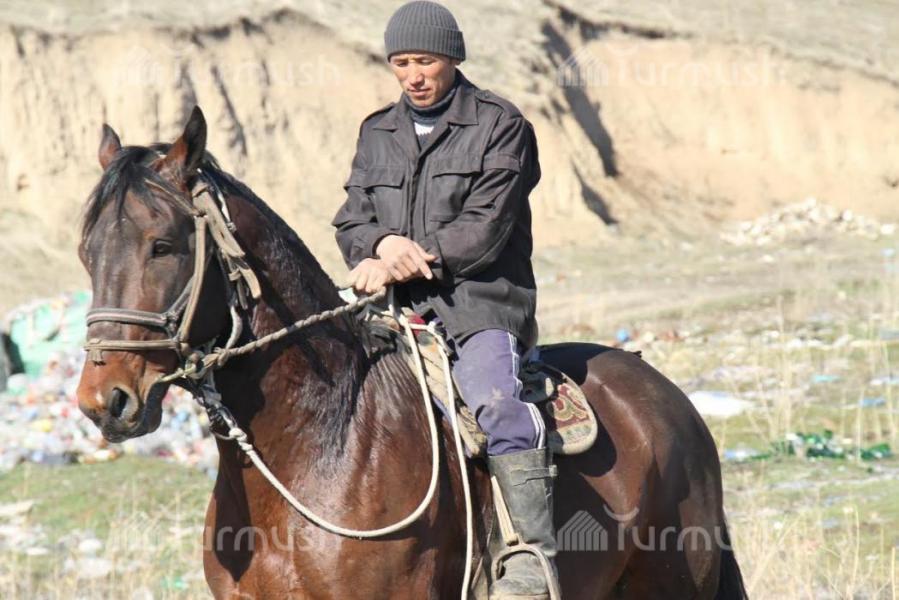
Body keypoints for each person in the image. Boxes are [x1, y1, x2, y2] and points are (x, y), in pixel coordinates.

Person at [331, 2, 558, 597]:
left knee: (496, 402)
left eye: (425, 61)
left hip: (478, 301)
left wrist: (415, 256)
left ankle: (532, 556)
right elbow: (352, 218)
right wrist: (378, 244)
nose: (414, 75)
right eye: (401, 63)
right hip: (390, 308)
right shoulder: (377, 131)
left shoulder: (500, 124)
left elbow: (487, 228)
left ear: (452, 58)